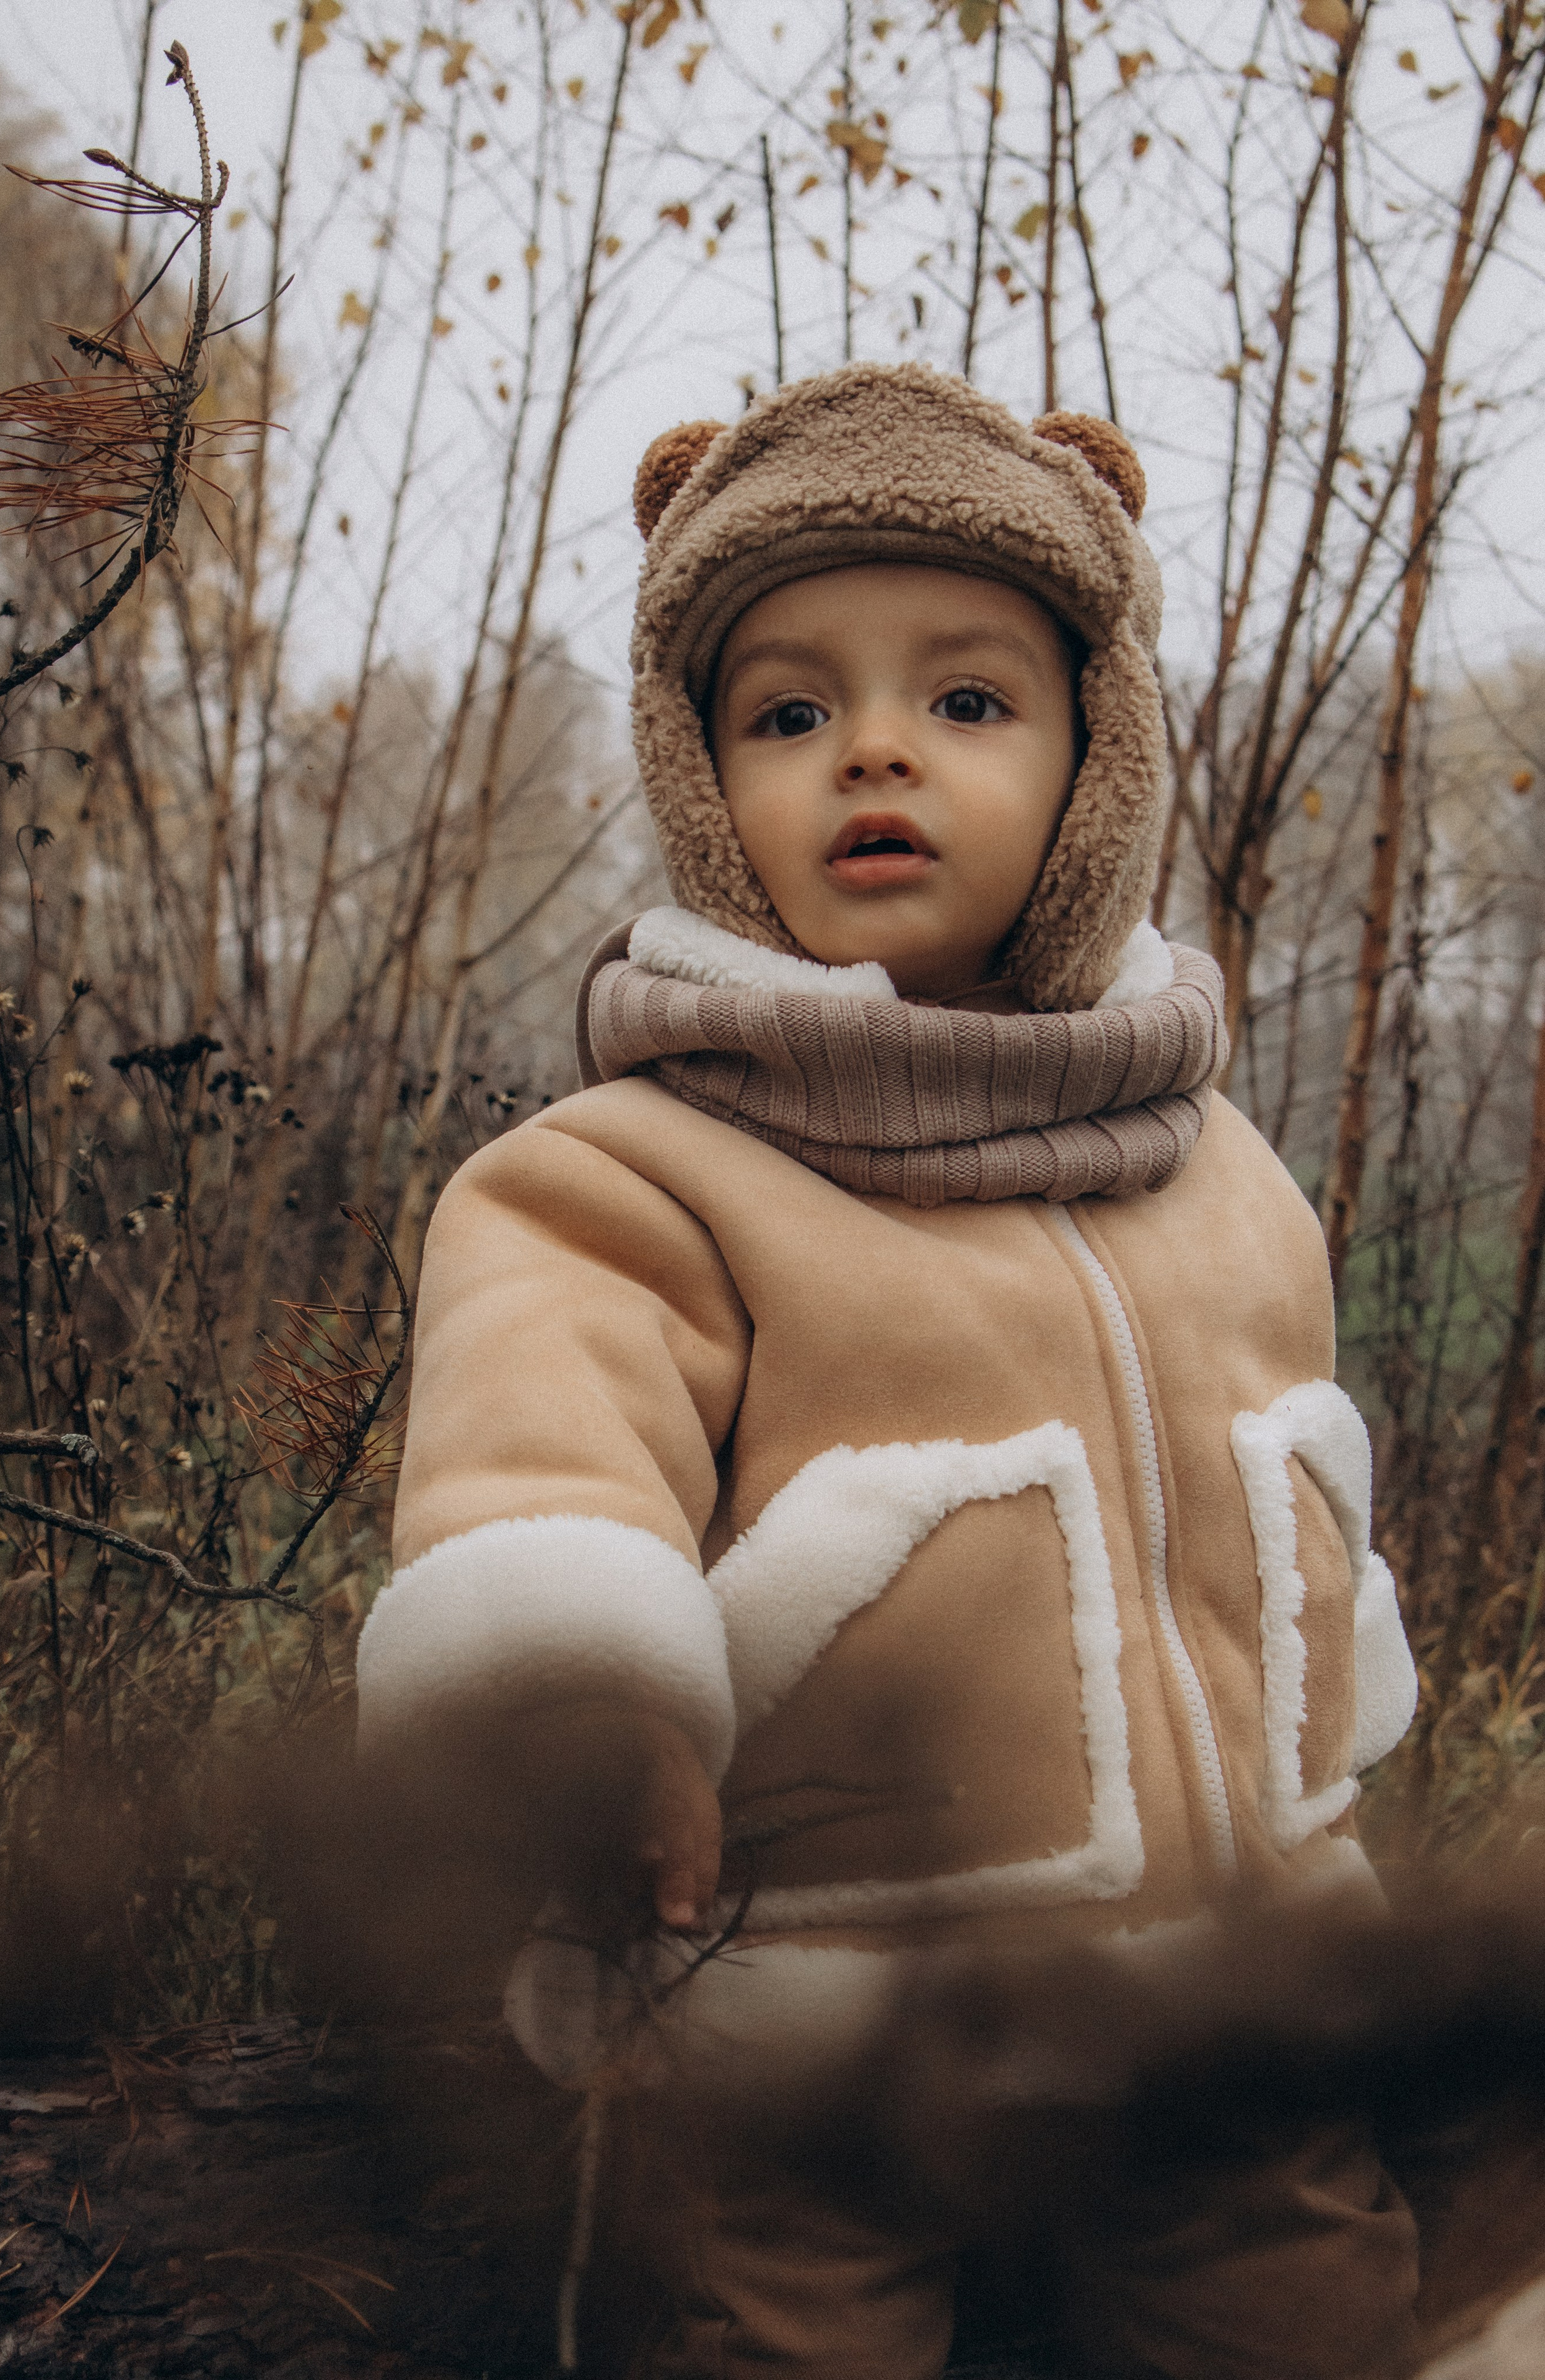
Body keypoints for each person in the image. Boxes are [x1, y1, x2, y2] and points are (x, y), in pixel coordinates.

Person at [356, 364, 1424, 2379]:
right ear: (702, 788)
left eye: (968, 699)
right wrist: (586, 1723)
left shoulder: (1216, 1164)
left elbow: (1295, 1512)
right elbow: (539, 1467)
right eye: (788, 713)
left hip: (1224, 2003)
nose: (874, 747)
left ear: (1100, 762)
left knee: (1308, 2317)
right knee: (773, 2330)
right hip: (812, 2019)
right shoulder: (630, 1172)